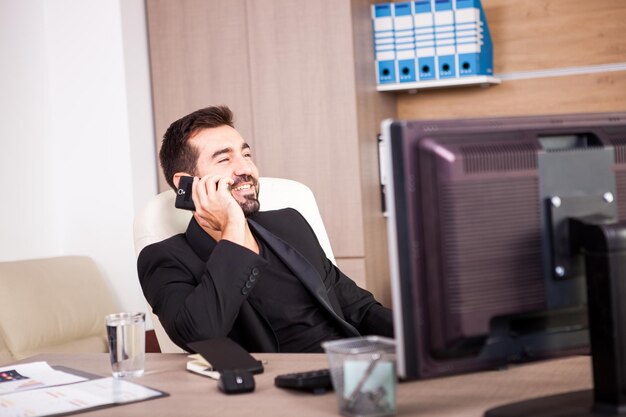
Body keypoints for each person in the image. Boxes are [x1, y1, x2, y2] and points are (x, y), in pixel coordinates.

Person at [137, 105, 393, 353]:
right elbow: (200, 335)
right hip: (279, 387)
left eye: (246, 155)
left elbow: (360, 309)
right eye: (225, 159)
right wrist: (233, 223)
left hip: (351, 365)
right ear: (186, 184)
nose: (246, 169)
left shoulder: (289, 224)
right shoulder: (165, 259)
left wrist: (423, 337)